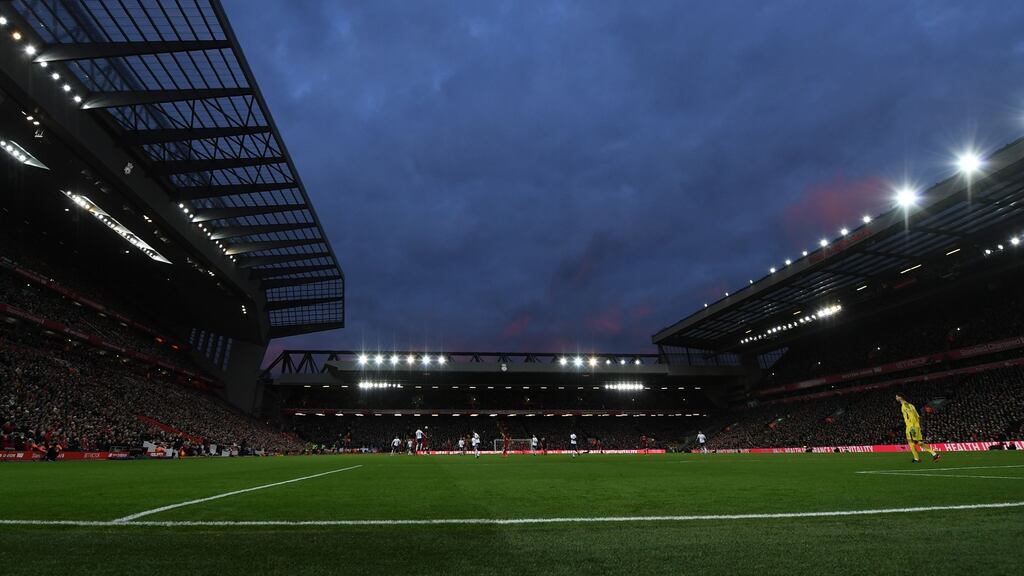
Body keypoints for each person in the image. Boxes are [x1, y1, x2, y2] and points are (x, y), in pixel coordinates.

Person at [896, 394, 940, 463]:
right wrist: (917, 426)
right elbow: (918, 416)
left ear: (900, 397)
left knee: (915, 442)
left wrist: (912, 427)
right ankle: (919, 458)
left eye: (897, 396)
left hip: (911, 426)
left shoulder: (905, 405)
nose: (896, 398)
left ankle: (932, 455)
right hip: (914, 425)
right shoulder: (911, 405)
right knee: (914, 443)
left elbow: (912, 416)